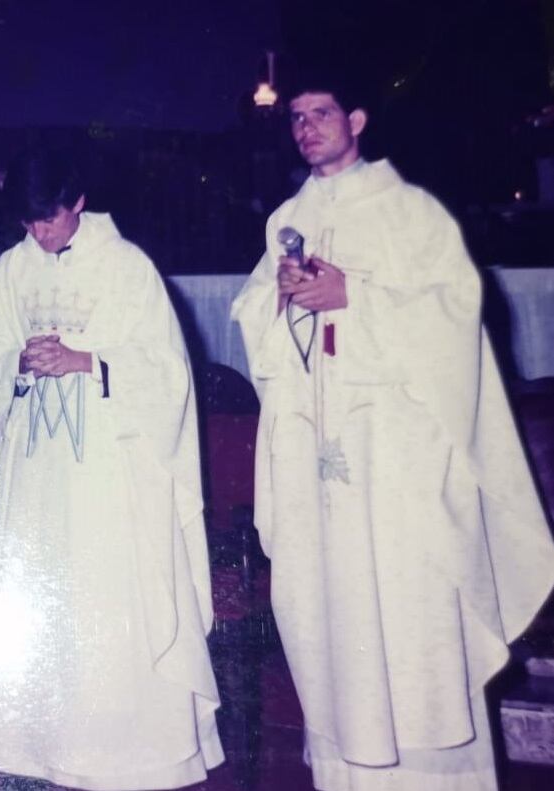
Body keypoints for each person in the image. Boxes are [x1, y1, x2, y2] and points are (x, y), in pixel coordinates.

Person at [230, 74, 554, 790]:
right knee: (331, 610)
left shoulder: (411, 214)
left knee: (408, 606)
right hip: (320, 460)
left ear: (356, 118)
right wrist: (282, 302)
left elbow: (454, 314)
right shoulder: (286, 216)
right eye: (295, 118)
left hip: (397, 460)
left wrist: (354, 295)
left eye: (319, 113)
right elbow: (253, 318)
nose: (305, 127)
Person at [0, 148, 223, 789]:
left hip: (110, 473)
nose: (39, 234)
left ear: (76, 201)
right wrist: (14, 364)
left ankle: (129, 758)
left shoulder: (128, 268)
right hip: (39, 477)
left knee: (108, 599)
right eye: (28, 223)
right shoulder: (10, 271)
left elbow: (167, 375)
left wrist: (86, 362)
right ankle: (44, 749)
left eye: (48, 219)